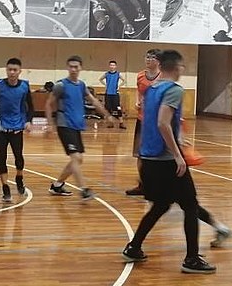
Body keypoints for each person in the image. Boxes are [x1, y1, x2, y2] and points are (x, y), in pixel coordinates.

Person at [121, 50, 232, 274]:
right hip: (166, 160)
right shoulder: (174, 90)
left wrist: (177, 136)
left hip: (149, 158)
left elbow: (156, 122)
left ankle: (134, 247)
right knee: (190, 205)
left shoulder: (151, 89)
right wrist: (177, 154)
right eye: (182, 66)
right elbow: (163, 123)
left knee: (161, 205)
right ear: (177, 67)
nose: (183, 70)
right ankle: (191, 259)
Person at [45, 55, 115, 201]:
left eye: (76, 67)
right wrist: (50, 124)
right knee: (76, 157)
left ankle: (57, 185)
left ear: (80, 68)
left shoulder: (81, 85)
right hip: (64, 124)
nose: (73, 69)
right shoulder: (61, 85)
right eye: (71, 66)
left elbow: (94, 101)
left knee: (78, 159)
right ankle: (84, 189)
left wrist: (106, 115)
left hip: (76, 125)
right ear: (67, 68)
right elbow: (49, 103)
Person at [0, 58, 34, 202]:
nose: (12, 72)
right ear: (6, 70)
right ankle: (5, 187)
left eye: (15, 70)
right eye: (9, 69)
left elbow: (30, 106)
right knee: (2, 157)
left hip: (17, 128)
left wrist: (28, 120)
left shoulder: (24, 86)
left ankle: (19, 177)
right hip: (0, 127)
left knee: (19, 157)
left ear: (19, 71)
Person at [125, 49, 162, 196]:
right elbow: (139, 91)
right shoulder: (140, 75)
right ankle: (143, 184)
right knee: (140, 154)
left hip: (157, 122)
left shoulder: (163, 77)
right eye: (147, 57)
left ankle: (157, 185)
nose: (149, 60)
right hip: (142, 120)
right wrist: (137, 101)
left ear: (158, 61)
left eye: (152, 57)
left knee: (157, 155)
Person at [99, 60, 126, 129]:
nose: (112, 66)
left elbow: (124, 80)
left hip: (115, 94)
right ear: (109, 66)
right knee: (108, 109)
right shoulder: (106, 74)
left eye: (113, 65)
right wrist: (105, 85)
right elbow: (100, 79)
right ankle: (110, 123)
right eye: (111, 65)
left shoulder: (118, 74)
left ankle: (121, 123)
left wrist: (119, 86)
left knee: (118, 108)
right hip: (108, 94)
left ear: (115, 66)